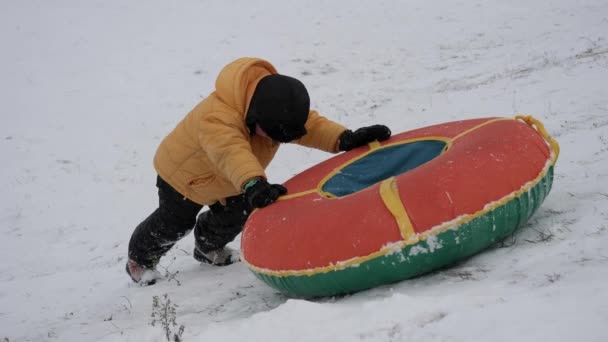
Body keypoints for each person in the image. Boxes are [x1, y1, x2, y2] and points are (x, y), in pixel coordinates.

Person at [126, 57, 391, 285]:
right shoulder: (219, 118)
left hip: (231, 179)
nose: (280, 140)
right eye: (276, 135)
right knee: (174, 223)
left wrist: (344, 138)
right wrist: (253, 182)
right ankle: (139, 260)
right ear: (256, 119)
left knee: (240, 211)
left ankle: (207, 245)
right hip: (185, 177)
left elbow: (307, 124)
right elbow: (230, 151)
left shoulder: (270, 104)